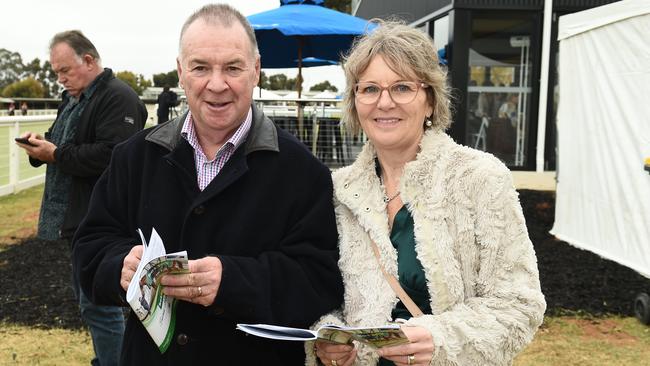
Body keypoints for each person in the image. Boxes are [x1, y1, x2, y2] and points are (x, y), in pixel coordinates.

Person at [72, 4, 343, 364]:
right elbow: (89, 247)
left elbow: (320, 281)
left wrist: (231, 282)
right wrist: (118, 266)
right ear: (181, 72)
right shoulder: (132, 158)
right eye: (201, 67)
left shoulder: (304, 173)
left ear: (256, 72)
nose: (217, 84)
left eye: (233, 67)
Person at [308, 21, 546, 366]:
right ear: (355, 103)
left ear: (431, 101)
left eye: (402, 88)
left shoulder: (478, 177)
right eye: (370, 89)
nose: (384, 102)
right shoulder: (338, 191)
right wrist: (330, 336)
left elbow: (519, 304)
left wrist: (441, 339)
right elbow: (325, 292)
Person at [15, 30, 147, 366]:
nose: (60, 80)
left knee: (99, 304)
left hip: (103, 218)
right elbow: (63, 142)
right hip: (75, 216)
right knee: (92, 301)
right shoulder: (73, 99)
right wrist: (40, 146)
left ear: (88, 60)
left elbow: (111, 156)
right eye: (56, 73)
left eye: (64, 71)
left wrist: (56, 154)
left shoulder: (120, 97)